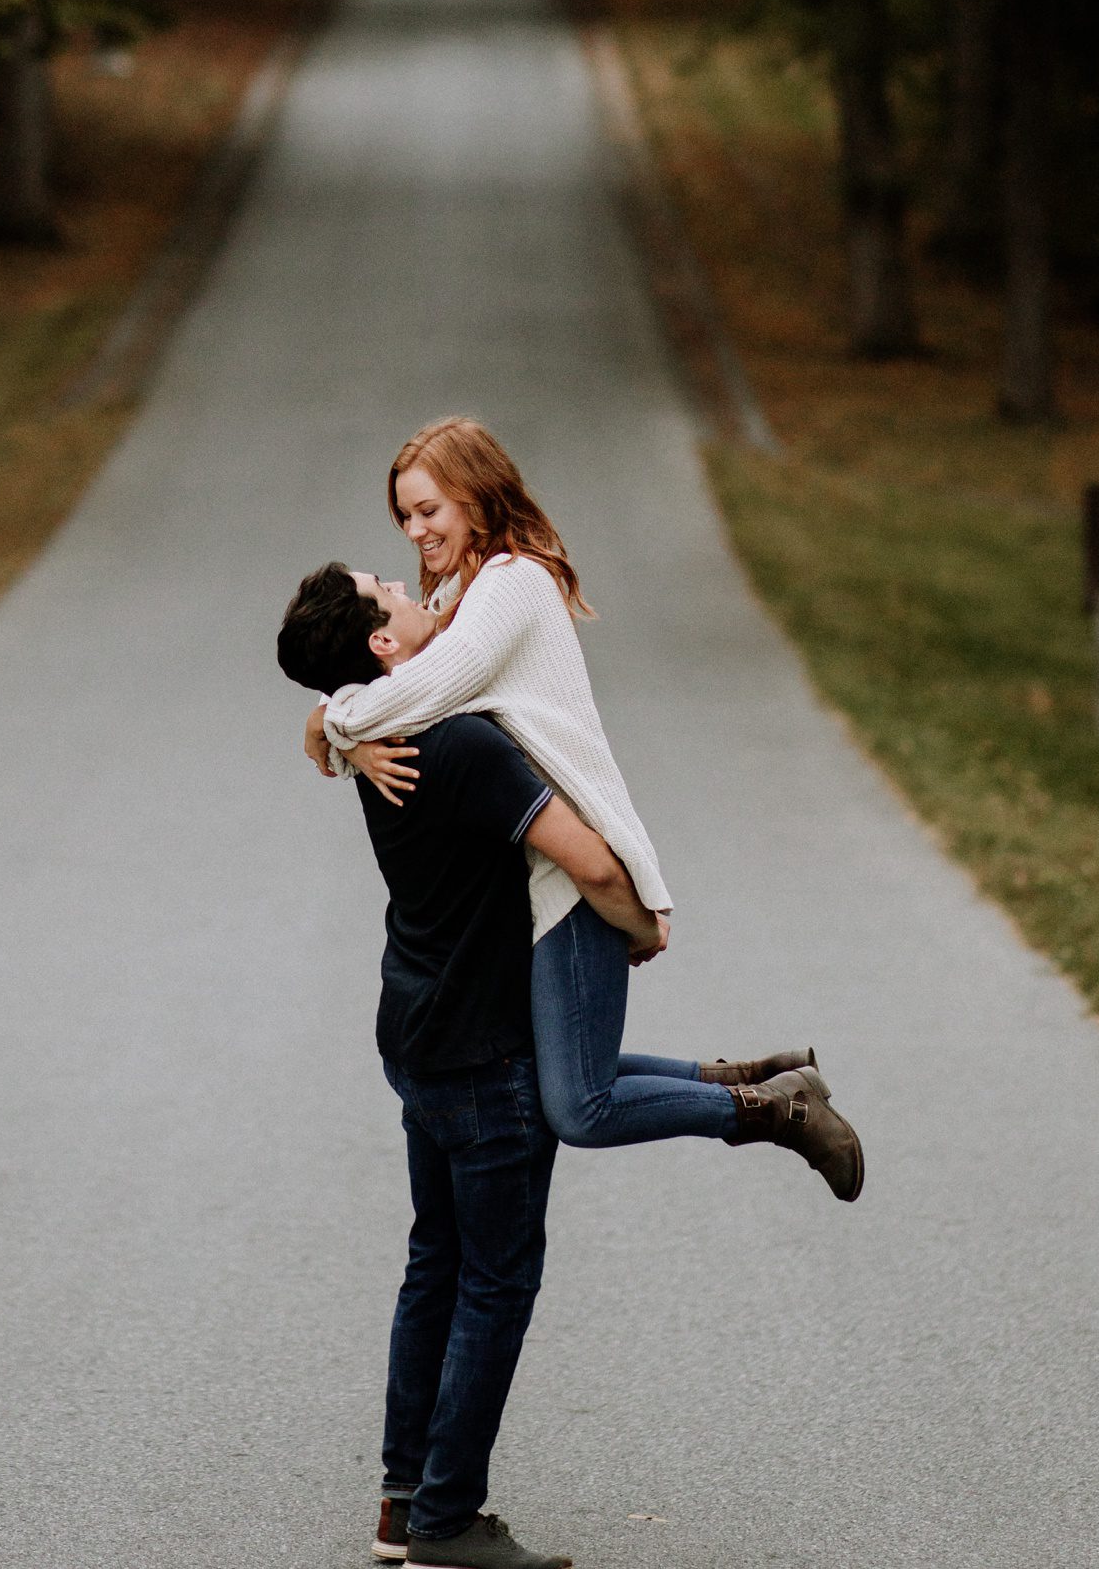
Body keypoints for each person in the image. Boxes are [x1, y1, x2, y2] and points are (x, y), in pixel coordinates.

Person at [303, 416, 865, 1190]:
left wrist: (331, 724)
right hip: (545, 876)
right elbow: (399, 690)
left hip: (577, 871)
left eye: (428, 509)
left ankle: (773, 1113)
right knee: (557, 1068)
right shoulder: (466, 592)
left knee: (580, 1107)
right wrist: (335, 732)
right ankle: (754, 1078)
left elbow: (423, 692)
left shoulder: (512, 585)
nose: (414, 530)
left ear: (474, 492)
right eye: (404, 515)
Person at [277, 560, 624, 1569]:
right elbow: (591, 862)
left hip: (418, 1031)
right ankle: (447, 1516)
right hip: (482, 1046)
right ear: (385, 642)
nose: (406, 575)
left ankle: (402, 1494)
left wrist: (326, 728)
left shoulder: (379, 736)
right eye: (385, 583)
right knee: (495, 1277)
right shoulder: (461, 742)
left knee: (436, 1259)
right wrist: (640, 918)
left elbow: (332, 714)